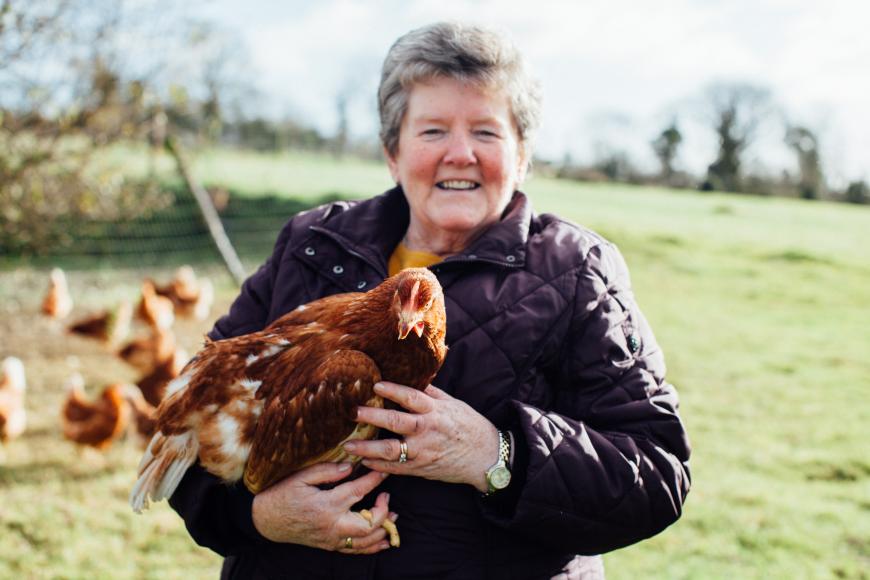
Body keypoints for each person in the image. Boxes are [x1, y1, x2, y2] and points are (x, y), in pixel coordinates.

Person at [169, 21, 691, 579]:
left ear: (522, 156)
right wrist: (260, 517)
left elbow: (656, 477)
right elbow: (186, 427)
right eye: (433, 130)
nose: (460, 154)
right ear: (393, 153)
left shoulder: (577, 273)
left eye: (487, 133)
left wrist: (497, 456)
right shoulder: (314, 246)